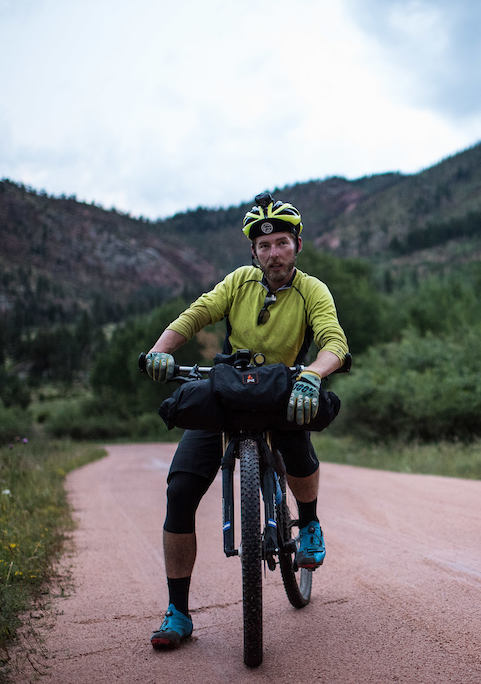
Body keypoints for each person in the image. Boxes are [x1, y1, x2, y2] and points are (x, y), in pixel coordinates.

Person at [142, 193, 349, 650]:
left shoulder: (313, 290)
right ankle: (178, 612)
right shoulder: (238, 282)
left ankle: (308, 524)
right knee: (179, 491)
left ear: (297, 245)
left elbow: (334, 342)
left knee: (297, 438)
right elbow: (196, 315)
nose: (274, 253)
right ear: (253, 252)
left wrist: (313, 375)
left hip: (284, 388)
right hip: (231, 389)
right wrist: (160, 351)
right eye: (264, 246)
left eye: (282, 243)